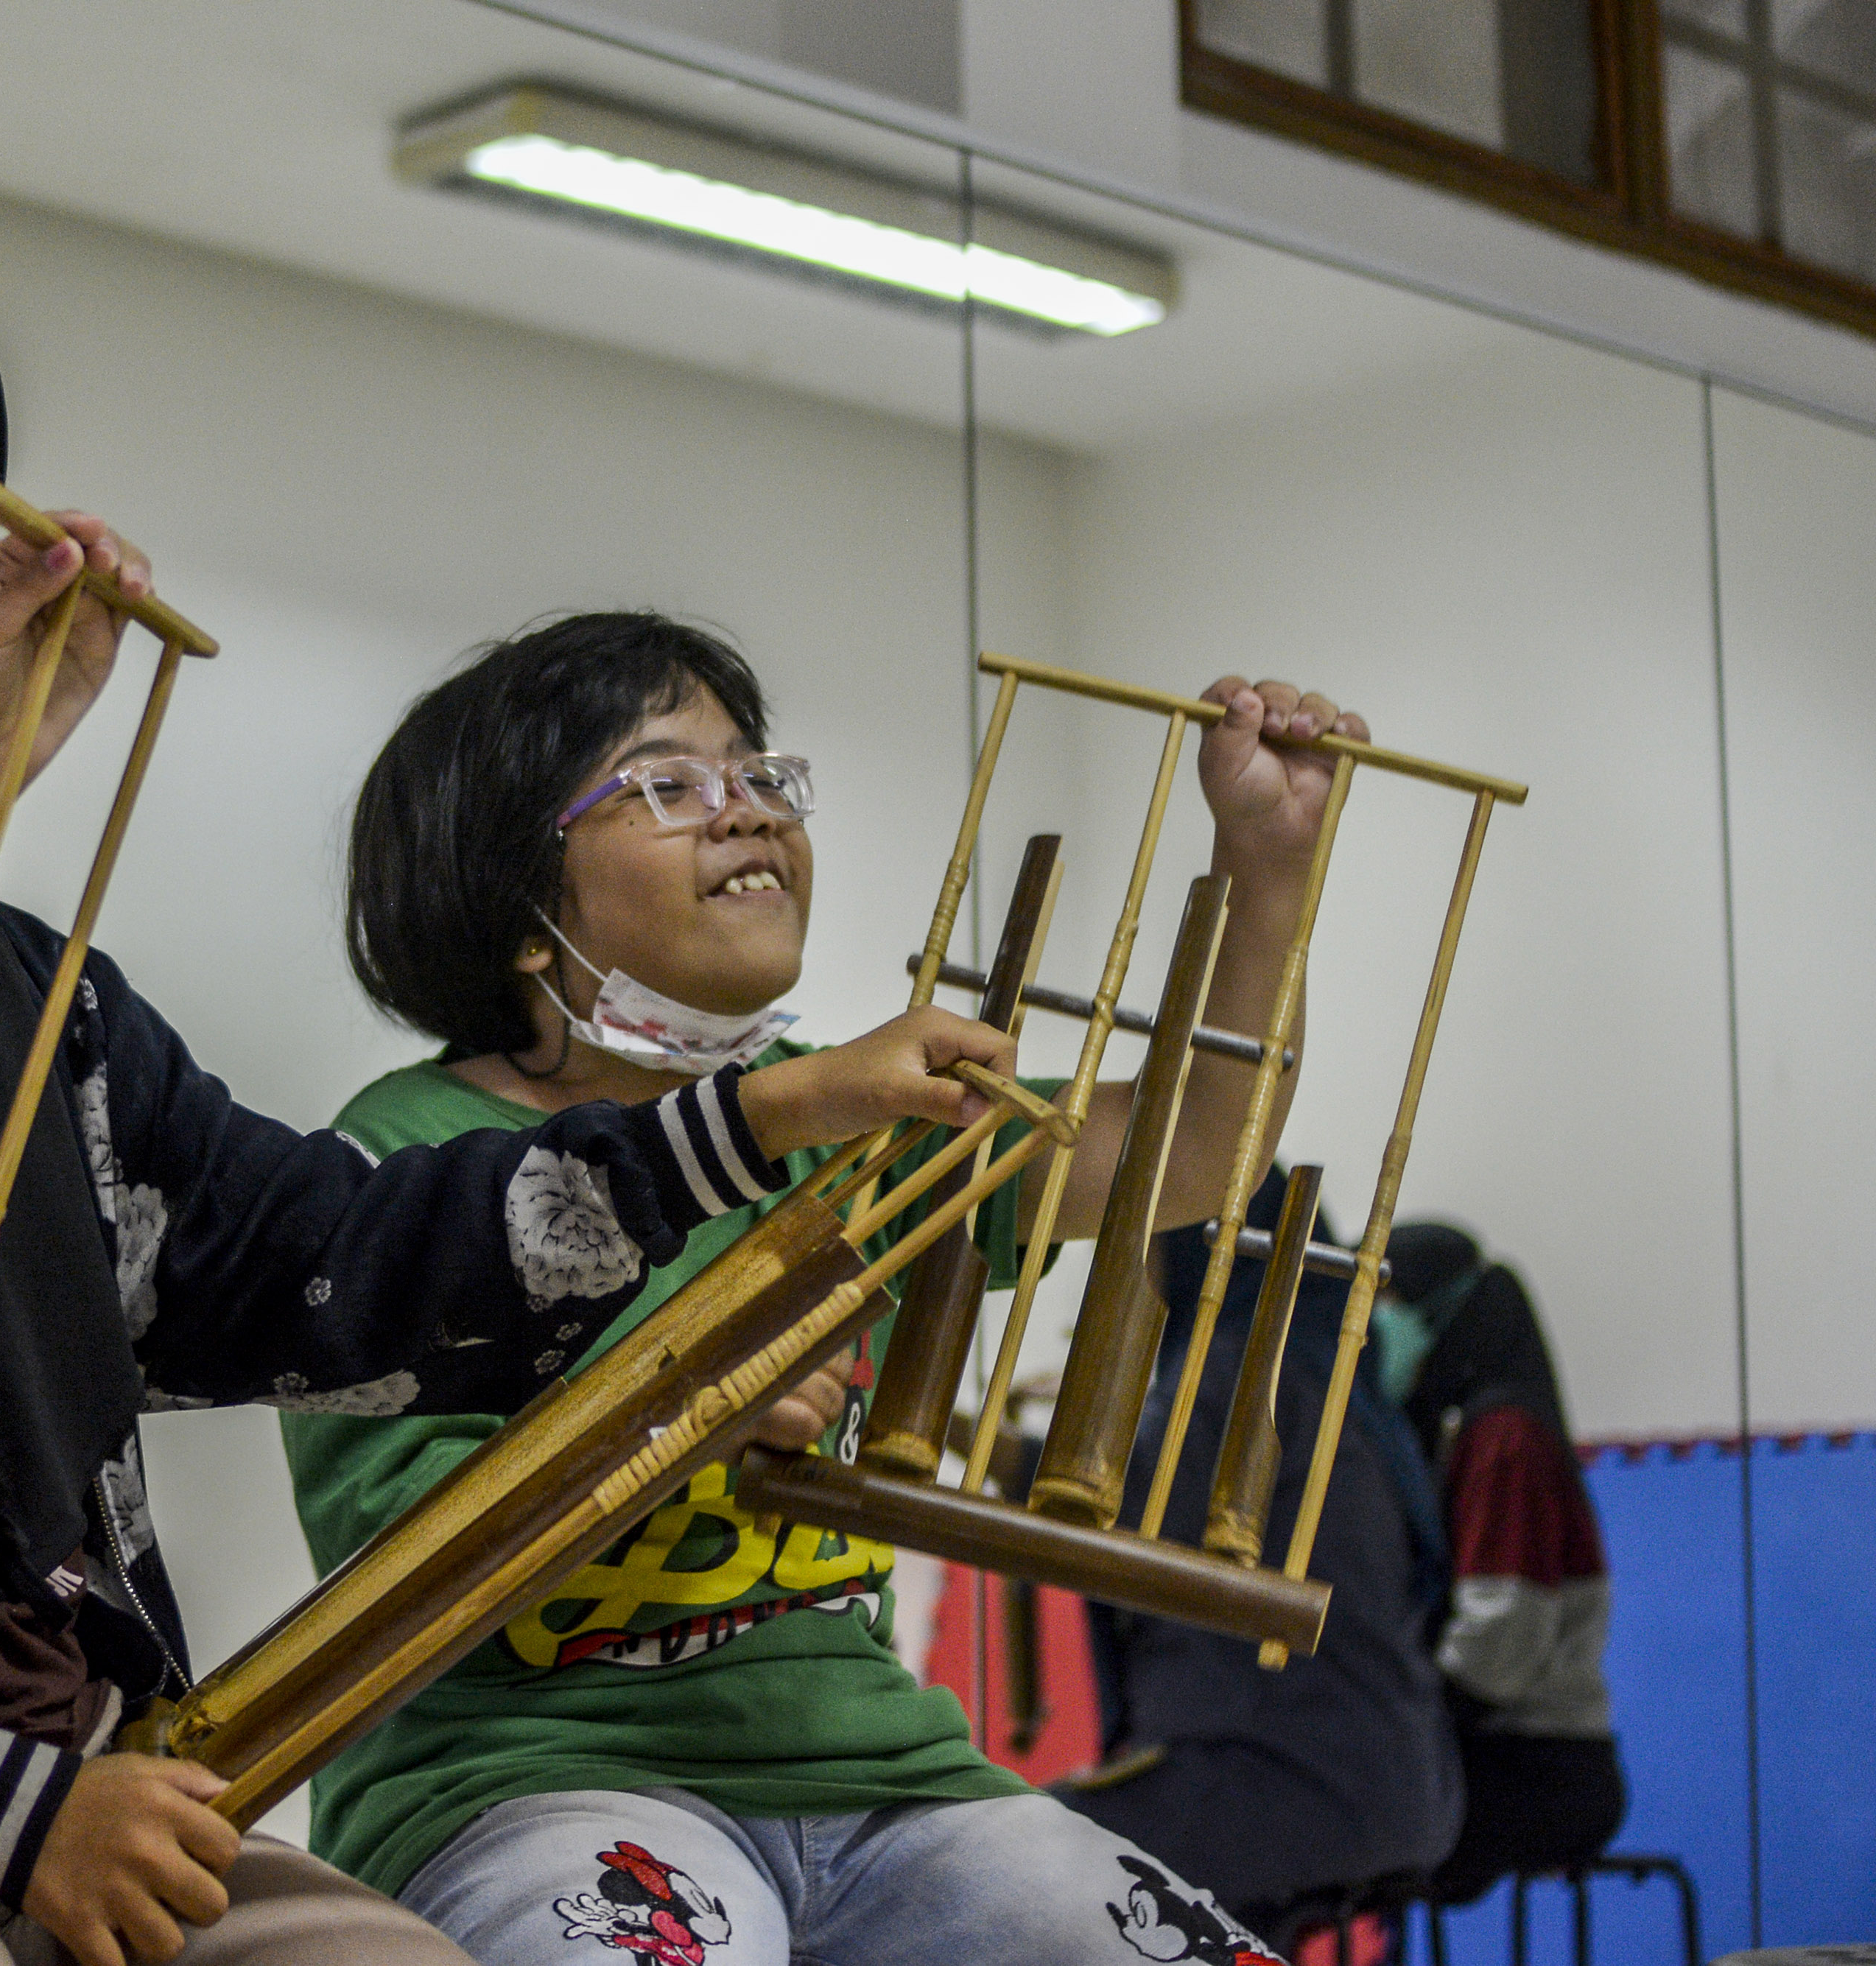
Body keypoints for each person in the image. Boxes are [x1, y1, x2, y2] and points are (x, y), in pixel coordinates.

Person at [0, 268, 1021, 1966]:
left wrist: (749, 1116)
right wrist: (0, 1809)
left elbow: (321, 1255)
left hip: (67, 1759)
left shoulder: (41, 1002)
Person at [287, 612, 1368, 1966]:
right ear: (514, 903)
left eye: (759, 776)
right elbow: (392, 1556)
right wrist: (678, 1419)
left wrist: (1267, 874)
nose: (743, 814)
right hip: (531, 1777)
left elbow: (1195, 1144)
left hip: (894, 1783)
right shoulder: (405, 1154)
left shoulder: (859, 1109)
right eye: (668, 784)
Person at [1052, 1166, 1464, 1947]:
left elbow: (1122, 1534)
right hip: (1391, 1779)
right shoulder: (1332, 1374)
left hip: (1285, 1776)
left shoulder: (1235, 1372)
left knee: (993, 1868)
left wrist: (987, 1464)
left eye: (1146, 1246)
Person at [1374, 1222, 1625, 1902]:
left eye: (1386, 1302)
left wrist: (1394, 1718)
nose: (1373, 1326)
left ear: (1439, 1309)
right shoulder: (1460, 1430)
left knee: (1321, 1840)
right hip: (1504, 1751)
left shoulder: (1504, 1440)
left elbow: (1501, 1645)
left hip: (1539, 1764)